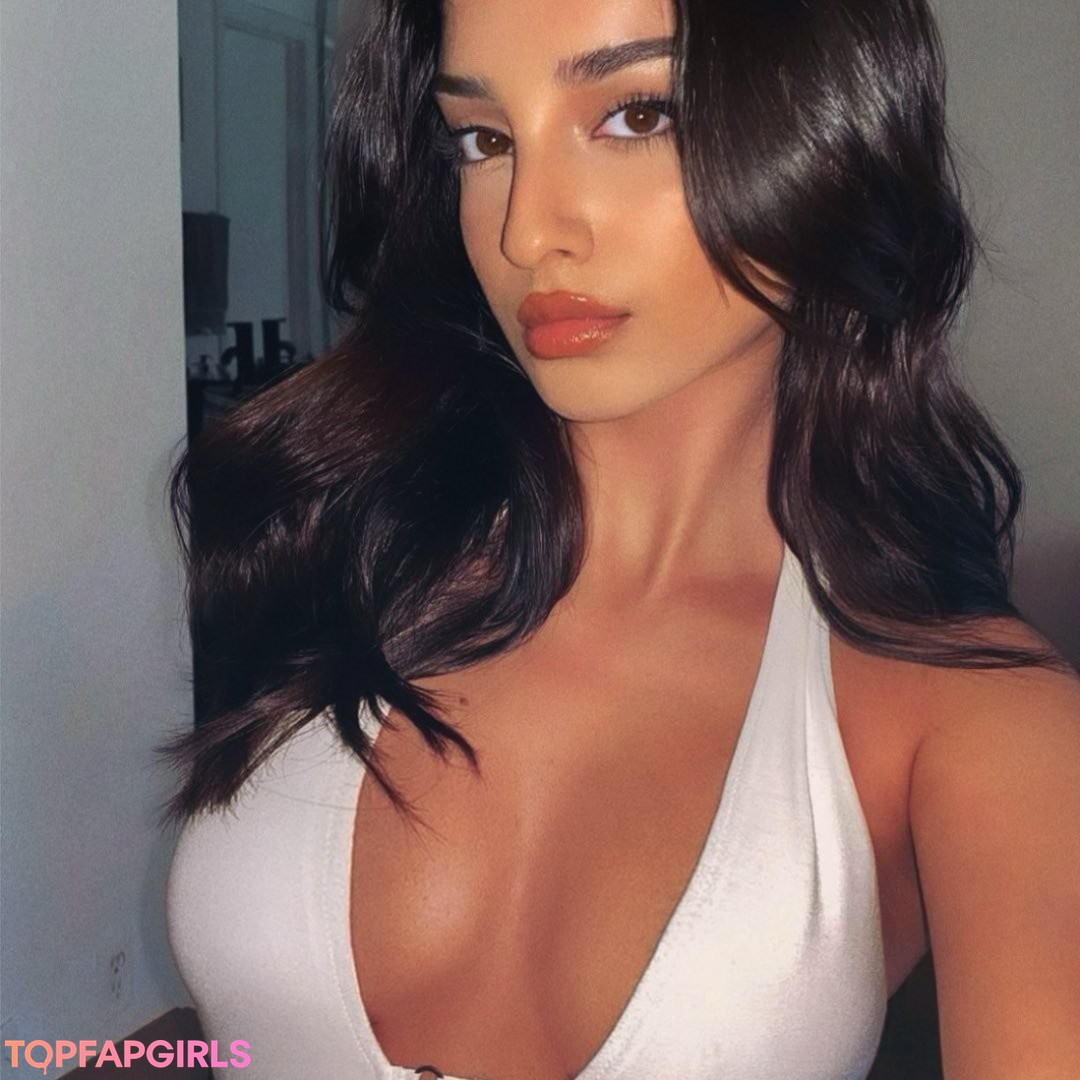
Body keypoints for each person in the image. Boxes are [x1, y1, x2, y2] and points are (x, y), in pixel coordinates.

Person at [165, 0, 1080, 1077]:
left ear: (830, 134)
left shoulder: (967, 717)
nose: (528, 232)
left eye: (638, 115)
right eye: (484, 140)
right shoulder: (334, 545)